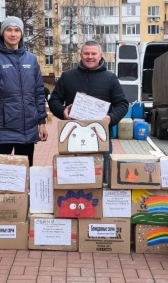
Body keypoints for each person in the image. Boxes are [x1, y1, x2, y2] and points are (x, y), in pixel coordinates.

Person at [48, 41, 129, 184]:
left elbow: (122, 104)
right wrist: (63, 111)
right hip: (72, 137)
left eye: (93, 53)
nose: (90, 57)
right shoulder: (67, 77)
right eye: (86, 53)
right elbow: (54, 100)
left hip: (101, 138)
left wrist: (111, 117)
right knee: (73, 179)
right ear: (81, 55)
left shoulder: (110, 78)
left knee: (102, 180)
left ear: (100, 56)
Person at [0, 16, 48, 166]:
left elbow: (39, 92)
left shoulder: (31, 59)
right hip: (3, 129)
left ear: (21, 33)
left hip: (28, 130)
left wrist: (42, 122)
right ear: (2, 33)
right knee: (1, 176)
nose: (13, 34)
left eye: (16, 30)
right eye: (9, 30)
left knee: (25, 176)